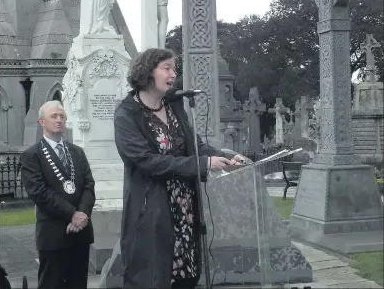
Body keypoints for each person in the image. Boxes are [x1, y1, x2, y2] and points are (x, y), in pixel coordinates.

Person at [114, 48, 245, 289]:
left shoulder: (174, 105)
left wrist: (223, 155)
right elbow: (146, 161)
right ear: (147, 72)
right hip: (152, 212)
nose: (173, 74)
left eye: (174, 69)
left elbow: (194, 144)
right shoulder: (127, 113)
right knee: (154, 278)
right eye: (167, 68)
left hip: (185, 211)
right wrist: (203, 165)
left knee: (186, 278)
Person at [21, 100, 96, 289]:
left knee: (78, 283)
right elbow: (39, 192)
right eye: (54, 116)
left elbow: (89, 185)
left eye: (62, 116)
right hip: (53, 234)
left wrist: (83, 214)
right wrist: (72, 214)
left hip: (81, 233)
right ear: (42, 122)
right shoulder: (32, 155)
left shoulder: (77, 152)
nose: (59, 120)